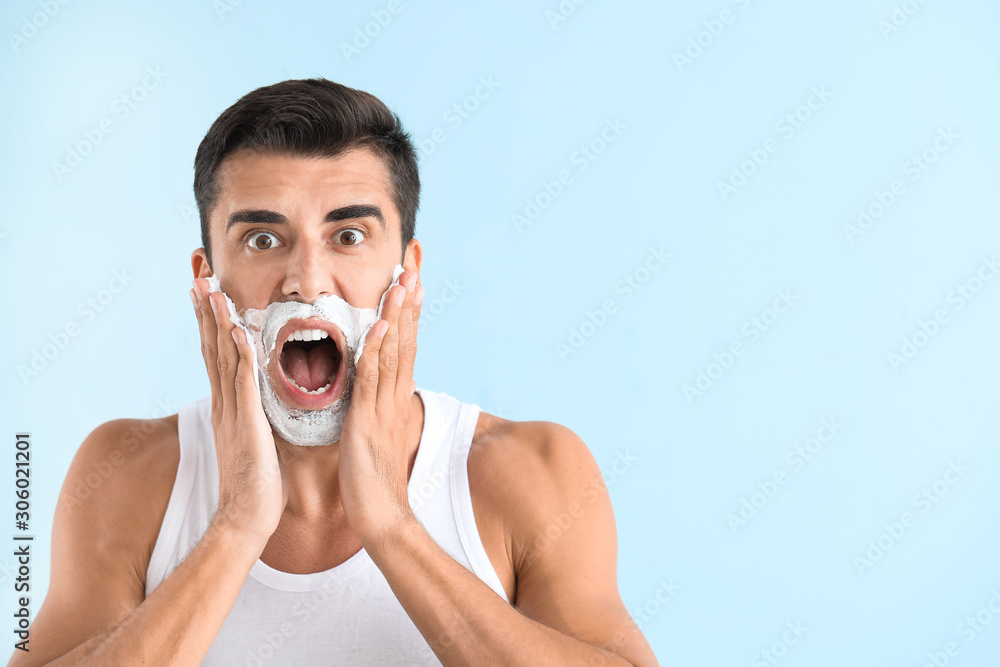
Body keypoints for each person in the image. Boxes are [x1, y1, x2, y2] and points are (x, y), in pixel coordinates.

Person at [9, 79, 660, 666]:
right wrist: (236, 524)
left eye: (348, 236)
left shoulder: (533, 471)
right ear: (208, 280)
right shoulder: (127, 473)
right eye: (263, 239)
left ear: (407, 272)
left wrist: (392, 528)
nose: (307, 280)